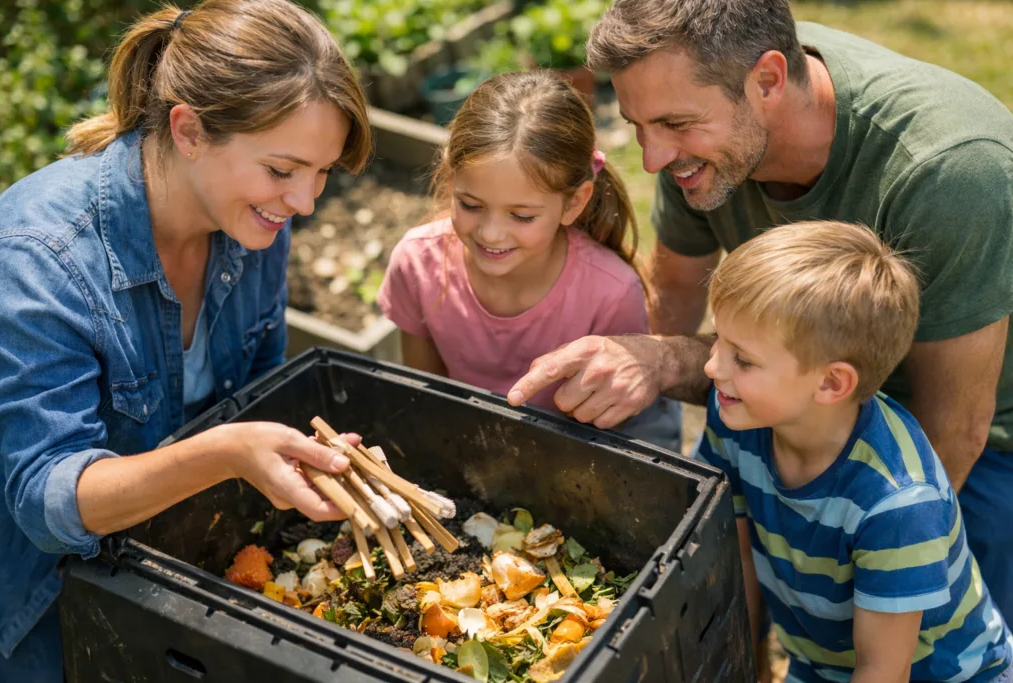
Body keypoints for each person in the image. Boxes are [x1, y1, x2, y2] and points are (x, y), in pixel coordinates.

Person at [509, 0, 1013, 623]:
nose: (653, 160)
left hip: (976, 445)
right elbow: (675, 294)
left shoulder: (948, 171)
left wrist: (861, 581)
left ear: (769, 81)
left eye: (674, 124)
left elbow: (956, 425)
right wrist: (646, 366)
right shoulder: (700, 110)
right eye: (638, 125)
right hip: (800, 394)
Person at [0, 1, 373, 679]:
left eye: (322, 172)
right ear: (189, 129)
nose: (306, 201)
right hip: (42, 614)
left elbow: (258, 388)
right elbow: (49, 499)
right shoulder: (37, 255)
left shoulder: (256, 226)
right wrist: (227, 450)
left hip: (166, 580)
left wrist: (302, 453)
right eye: (284, 169)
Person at [699, 221, 1012, 682]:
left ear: (831, 382)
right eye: (717, 341)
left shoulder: (896, 505)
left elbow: (883, 671)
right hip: (823, 664)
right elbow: (737, 560)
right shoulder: (738, 417)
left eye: (742, 358)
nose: (712, 367)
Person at [376, 71, 680, 451]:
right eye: (470, 205)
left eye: (521, 216)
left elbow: (615, 428)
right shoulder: (417, 262)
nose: (490, 234)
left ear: (574, 202)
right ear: (451, 180)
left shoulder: (611, 293)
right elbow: (428, 394)